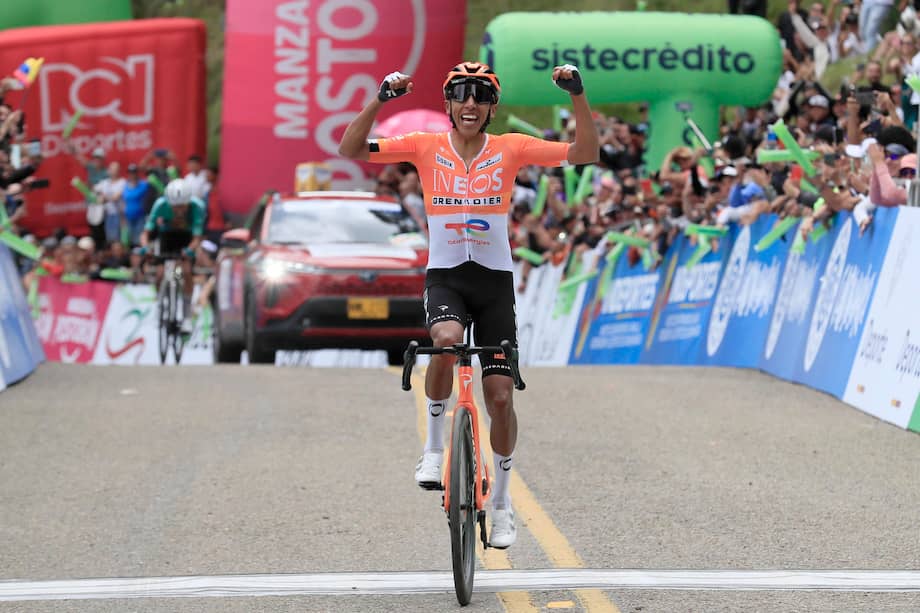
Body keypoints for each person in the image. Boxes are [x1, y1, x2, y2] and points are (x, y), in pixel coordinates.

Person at [338, 61, 599, 549]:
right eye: (461, 95)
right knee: (445, 341)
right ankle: (435, 449)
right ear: (449, 104)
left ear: (491, 107)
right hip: (447, 278)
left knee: (500, 396)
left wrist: (577, 96)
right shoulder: (424, 145)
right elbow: (350, 148)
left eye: (480, 96)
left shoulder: (511, 149)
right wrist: (379, 99)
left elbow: (586, 152)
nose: (471, 104)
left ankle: (501, 503)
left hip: (495, 284)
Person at [139, 178, 206, 334]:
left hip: (187, 239)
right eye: (175, 207)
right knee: (160, 274)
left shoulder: (197, 207)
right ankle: (161, 303)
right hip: (167, 238)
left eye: (182, 206)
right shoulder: (160, 205)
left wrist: (189, 250)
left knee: (186, 271)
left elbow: (197, 238)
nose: (179, 211)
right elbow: (146, 233)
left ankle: (187, 315)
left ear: (189, 202)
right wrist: (145, 247)